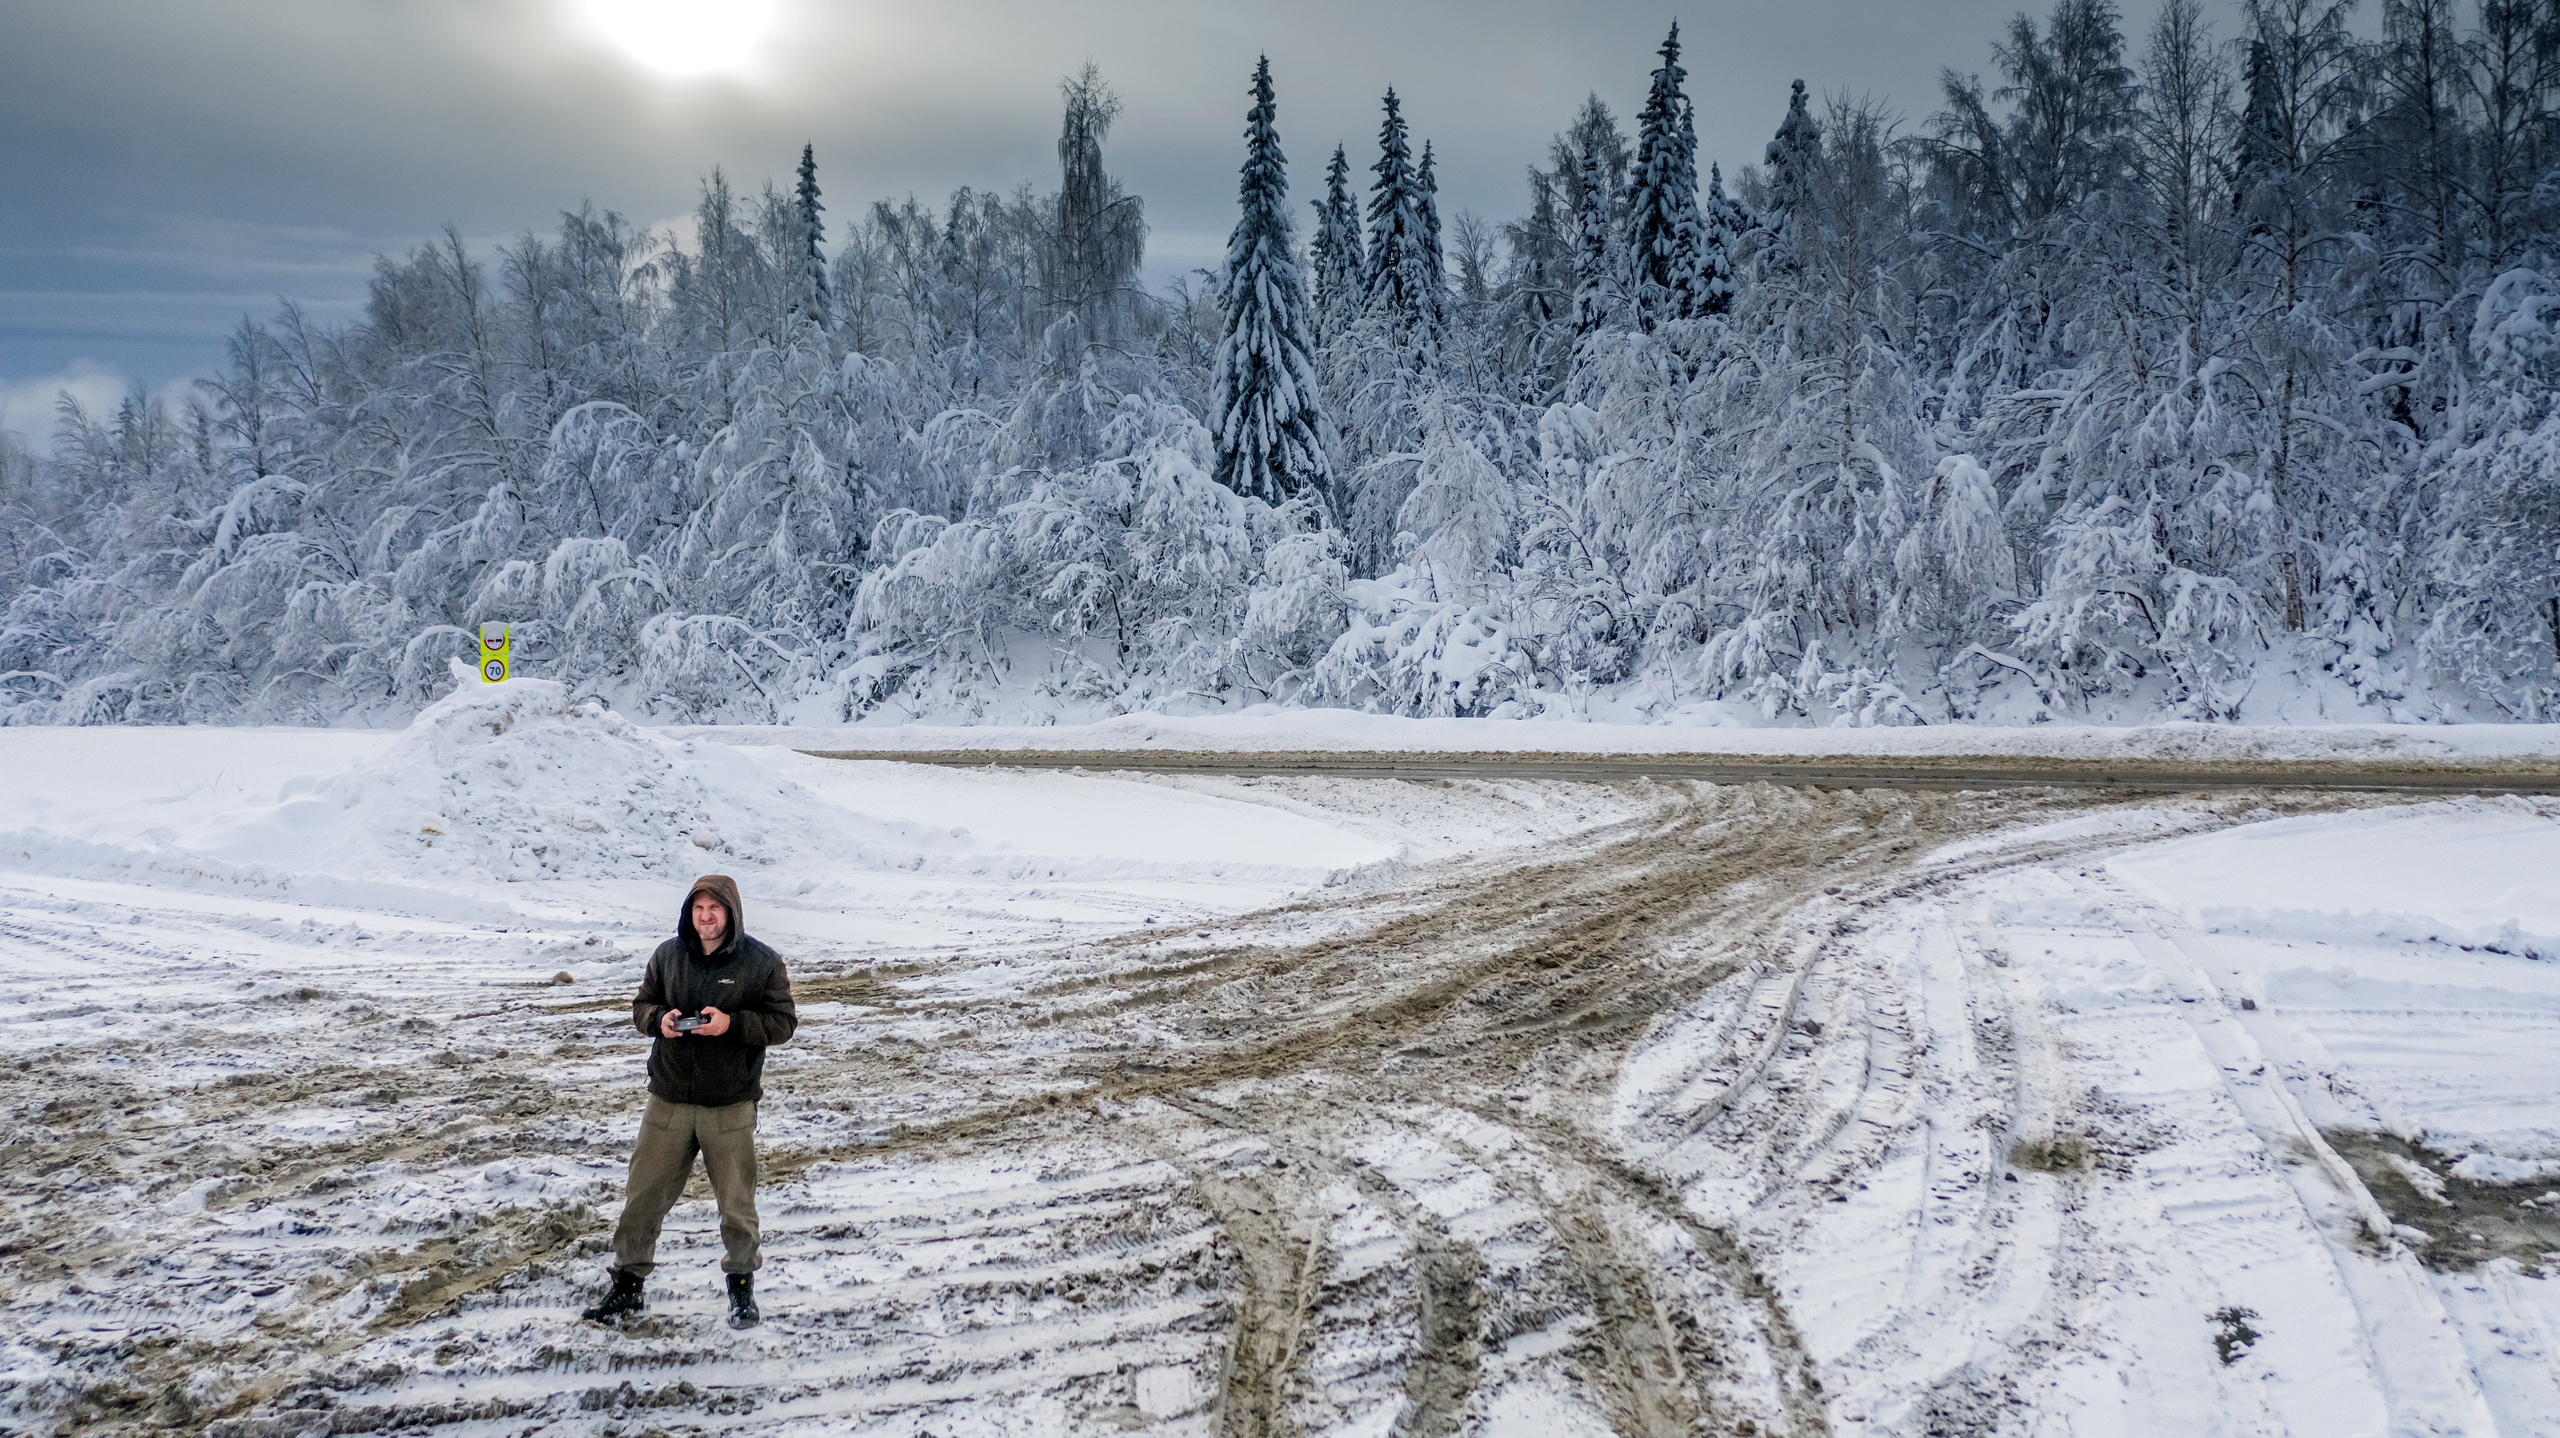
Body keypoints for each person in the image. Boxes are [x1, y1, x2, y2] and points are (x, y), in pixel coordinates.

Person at [582, 874, 797, 1329]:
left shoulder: (761, 962)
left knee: (736, 1206)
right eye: (699, 908)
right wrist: (659, 1020)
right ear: (689, 911)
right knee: (642, 1198)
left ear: (731, 912)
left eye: (715, 909)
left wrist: (732, 1024)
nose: (706, 916)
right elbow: (641, 1006)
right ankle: (627, 1286)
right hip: (669, 1100)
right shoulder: (667, 956)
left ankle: (741, 1290)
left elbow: (783, 1024)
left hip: (729, 1104)